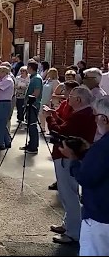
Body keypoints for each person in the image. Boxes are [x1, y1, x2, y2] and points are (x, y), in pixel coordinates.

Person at [45, 86, 97, 245]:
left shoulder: (80, 115)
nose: (68, 99)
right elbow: (68, 127)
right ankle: (68, 224)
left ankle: (73, 232)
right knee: (70, 191)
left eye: (72, 96)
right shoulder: (85, 113)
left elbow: (60, 131)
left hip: (66, 156)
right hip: (73, 155)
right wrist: (55, 115)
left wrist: (49, 117)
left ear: (79, 100)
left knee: (68, 193)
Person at [61, 95, 109, 256]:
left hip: (101, 216)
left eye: (96, 116)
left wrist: (74, 159)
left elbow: (86, 178)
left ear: (104, 118)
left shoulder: (103, 147)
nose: (94, 121)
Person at [21, 61, 43, 154]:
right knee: (29, 125)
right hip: (30, 104)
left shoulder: (37, 79)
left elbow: (36, 92)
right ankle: (30, 143)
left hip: (33, 105)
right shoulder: (33, 77)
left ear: (30, 68)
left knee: (32, 125)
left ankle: (34, 146)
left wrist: (29, 102)